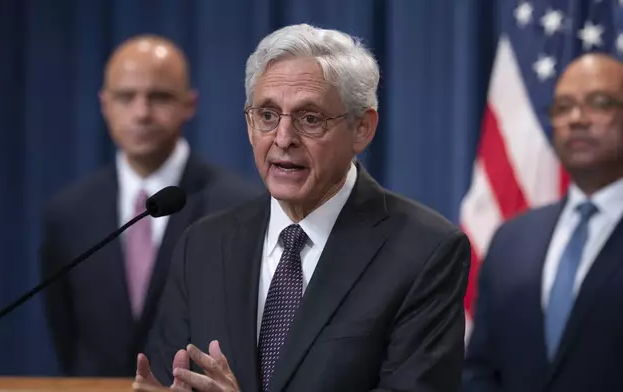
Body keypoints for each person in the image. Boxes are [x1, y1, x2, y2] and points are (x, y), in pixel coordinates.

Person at [133, 24, 471, 392]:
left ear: (362, 128)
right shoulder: (203, 245)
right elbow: (170, 376)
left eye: (310, 119)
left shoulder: (425, 252)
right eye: (267, 115)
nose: (283, 138)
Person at [39, 35, 262, 377]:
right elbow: (66, 335)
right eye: (126, 97)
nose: (141, 113)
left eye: (159, 97)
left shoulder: (239, 205)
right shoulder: (68, 213)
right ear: (104, 104)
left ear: (190, 104)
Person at [462, 53, 623, 391]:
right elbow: (481, 369)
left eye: (598, 103)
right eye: (563, 107)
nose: (576, 119)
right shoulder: (512, 239)